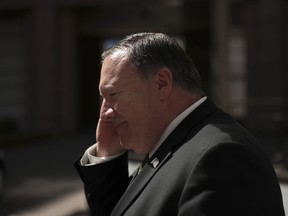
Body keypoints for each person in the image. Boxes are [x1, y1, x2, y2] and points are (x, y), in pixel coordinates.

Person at [74, 32, 285, 216]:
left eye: (112, 95)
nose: (105, 113)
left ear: (162, 84)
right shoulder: (181, 144)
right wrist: (107, 155)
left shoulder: (221, 157)